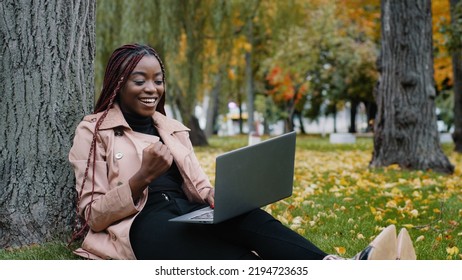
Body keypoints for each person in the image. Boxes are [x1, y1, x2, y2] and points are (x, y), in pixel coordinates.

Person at [69, 43, 416, 260]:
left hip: (187, 211)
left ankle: (338, 267)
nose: (152, 89)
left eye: (157, 79)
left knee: (251, 219)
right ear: (117, 83)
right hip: (142, 224)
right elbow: (92, 214)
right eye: (139, 80)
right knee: (234, 259)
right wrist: (141, 177)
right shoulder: (95, 129)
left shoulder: (171, 127)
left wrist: (215, 195)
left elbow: (199, 185)